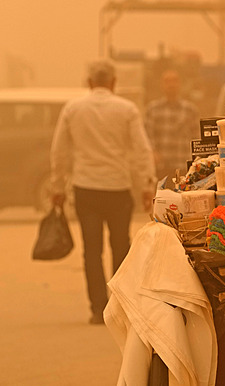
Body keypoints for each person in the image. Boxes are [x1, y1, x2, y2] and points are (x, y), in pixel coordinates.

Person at [50, 59, 156, 325]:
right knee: (121, 246)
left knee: (92, 249)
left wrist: (57, 185)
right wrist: (147, 184)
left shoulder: (73, 109)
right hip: (117, 187)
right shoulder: (127, 109)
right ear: (113, 83)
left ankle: (98, 308)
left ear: (88, 83)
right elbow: (142, 151)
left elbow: (59, 151)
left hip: (85, 187)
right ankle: (121, 306)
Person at [144, 69, 199, 180]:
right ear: (161, 85)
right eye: (167, 81)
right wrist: (153, 153)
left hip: (184, 168)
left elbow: (196, 139)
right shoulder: (153, 110)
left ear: (180, 84)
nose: (171, 85)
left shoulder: (190, 110)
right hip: (161, 169)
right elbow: (147, 138)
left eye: (174, 81)